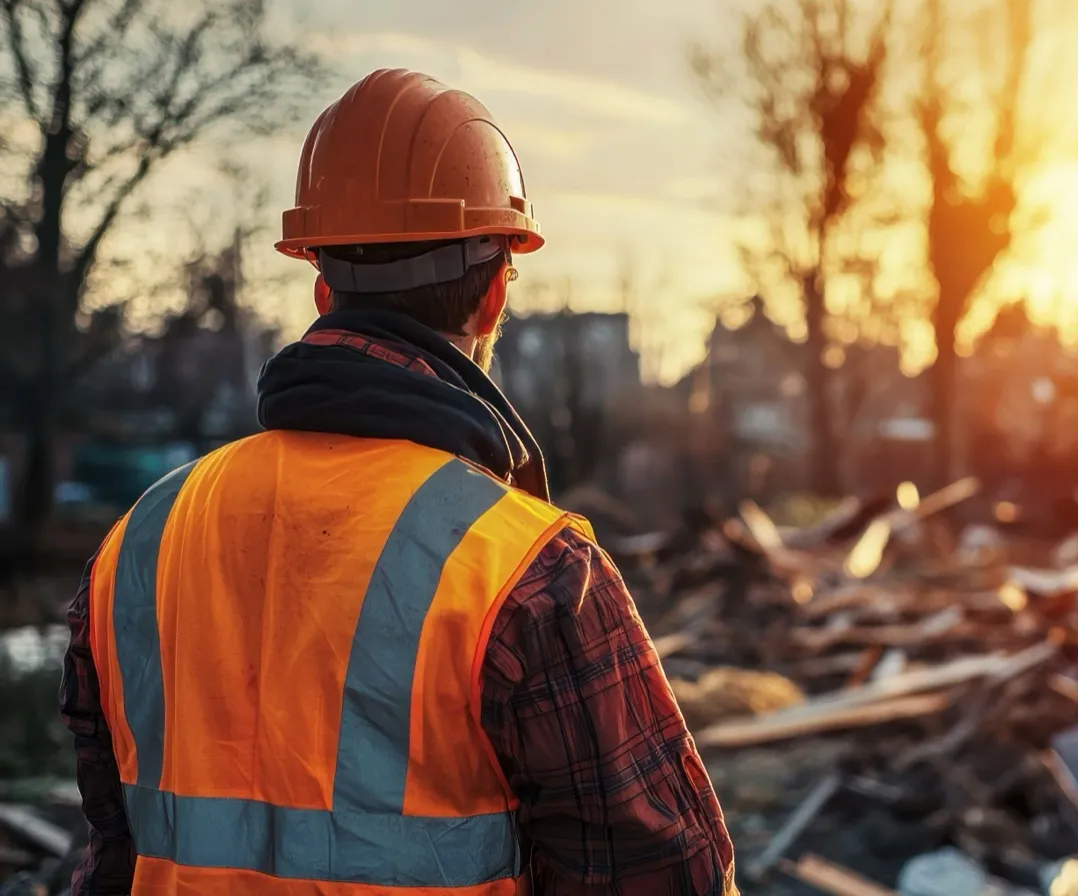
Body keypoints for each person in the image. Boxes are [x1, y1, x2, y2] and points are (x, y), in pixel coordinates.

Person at [58, 69, 737, 895]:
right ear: (493, 295)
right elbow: (666, 877)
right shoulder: (530, 573)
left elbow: (111, 857)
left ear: (321, 287)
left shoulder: (139, 541)